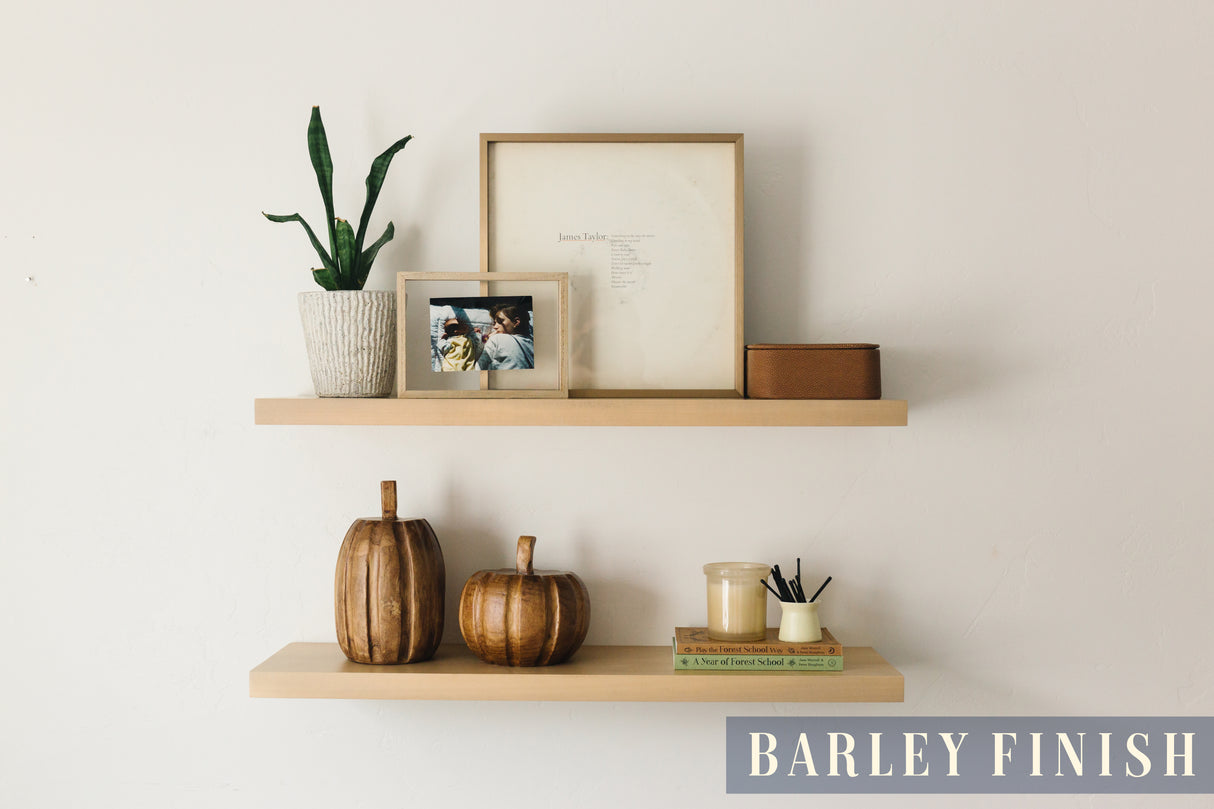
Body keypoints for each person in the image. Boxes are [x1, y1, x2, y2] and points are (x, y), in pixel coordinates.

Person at [479, 302, 534, 370]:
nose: (495, 327)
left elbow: (480, 366)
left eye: (500, 321)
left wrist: (481, 338)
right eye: (495, 323)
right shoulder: (531, 342)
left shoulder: (497, 338)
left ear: (516, 322)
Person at [434, 305, 482, 371]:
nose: (465, 324)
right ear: (456, 331)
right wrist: (442, 340)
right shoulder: (451, 341)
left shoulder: (469, 339)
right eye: (462, 324)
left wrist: (477, 334)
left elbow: (477, 344)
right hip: (451, 366)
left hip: (467, 367)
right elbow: (443, 347)